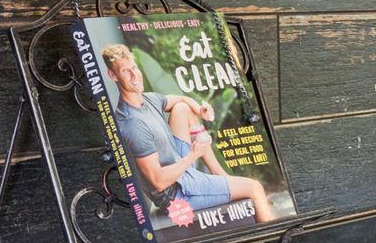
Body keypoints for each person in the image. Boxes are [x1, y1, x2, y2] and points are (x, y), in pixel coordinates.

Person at [100, 45, 277, 224]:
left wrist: (200, 111)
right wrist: (192, 155)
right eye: (125, 71)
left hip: (181, 171)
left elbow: (183, 100)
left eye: (134, 68)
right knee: (254, 188)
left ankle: (219, 174)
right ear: (113, 75)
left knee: (182, 108)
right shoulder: (133, 124)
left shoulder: (148, 100)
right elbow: (158, 182)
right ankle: (274, 239)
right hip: (178, 194)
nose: (134, 75)